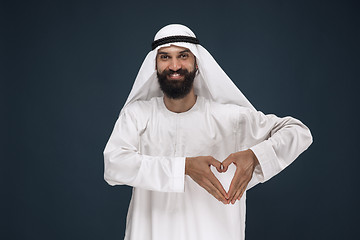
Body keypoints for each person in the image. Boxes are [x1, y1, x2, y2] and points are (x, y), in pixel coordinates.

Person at [103, 24, 312, 240]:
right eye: (165, 57)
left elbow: (298, 132)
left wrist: (255, 156)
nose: (174, 65)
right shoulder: (137, 115)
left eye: (183, 56)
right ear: (154, 66)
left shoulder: (229, 118)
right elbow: (114, 165)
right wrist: (184, 167)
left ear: (197, 63)